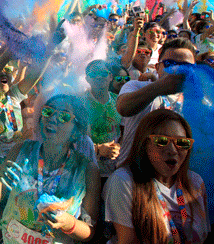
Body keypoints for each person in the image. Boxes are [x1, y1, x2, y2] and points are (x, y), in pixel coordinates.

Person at [0, 94, 100, 244]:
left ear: (77, 131)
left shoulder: (86, 170)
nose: (52, 118)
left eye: (64, 116)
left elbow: (89, 232)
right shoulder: (21, 150)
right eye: (48, 112)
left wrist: (69, 223)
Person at [0, 49, 47, 243]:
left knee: (11, 231)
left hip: (13, 180)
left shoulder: (13, 97)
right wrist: (6, 54)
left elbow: (34, 75)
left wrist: (50, 50)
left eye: (8, 69)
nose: (4, 72)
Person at [104, 109, 209, 244]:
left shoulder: (195, 182)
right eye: (161, 141)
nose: (172, 150)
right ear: (144, 144)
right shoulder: (124, 181)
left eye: (182, 142)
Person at [116, 38, 196, 166]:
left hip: (173, 180)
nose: (178, 70)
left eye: (186, 66)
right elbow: (123, 108)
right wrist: (160, 86)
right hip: (133, 176)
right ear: (157, 67)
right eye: (170, 64)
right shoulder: (137, 86)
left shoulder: (198, 104)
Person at [83, 60, 121, 178]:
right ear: (87, 79)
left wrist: (119, 147)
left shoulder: (119, 101)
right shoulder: (80, 103)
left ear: (110, 77)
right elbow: (74, 141)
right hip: (87, 171)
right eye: (93, 74)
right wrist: (98, 149)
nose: (99, 76)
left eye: (103, 73)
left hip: (115, 170)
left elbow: (125, 133)